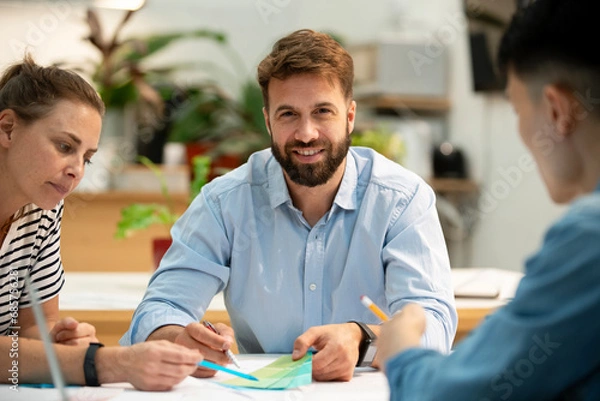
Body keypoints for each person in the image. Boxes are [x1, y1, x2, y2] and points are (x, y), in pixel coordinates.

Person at [121, 29, 457, 382]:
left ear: (350, 116)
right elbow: (158, 310)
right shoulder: (225, 202)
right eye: (288, 115)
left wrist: (362, 338)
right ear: (268, 121)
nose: (307, 133)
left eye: (322, 111)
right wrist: (180, 338)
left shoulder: (400, 200)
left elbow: (434, 324)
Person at [378, 0, 600, 399]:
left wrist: (403, 352)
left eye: (516, 108)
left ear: (557, 109)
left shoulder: (589, 237)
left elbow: (454, 394)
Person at [0, 55, 202, 391]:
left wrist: (61, 339)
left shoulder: (43, 209)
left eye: (87, 158)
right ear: (8, 128)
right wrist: (104, 362)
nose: (76, 170)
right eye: (65, 146)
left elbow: (34, 327)